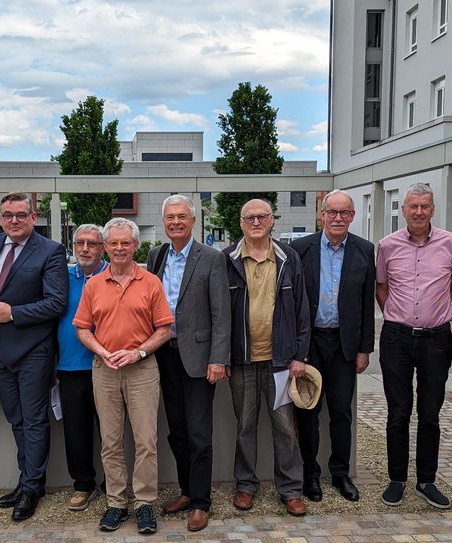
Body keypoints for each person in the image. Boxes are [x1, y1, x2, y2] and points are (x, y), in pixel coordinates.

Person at [74, 218, 173, 534]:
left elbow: (164, 329)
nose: (119, 248)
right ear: (106, 246)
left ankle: (144, 504)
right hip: (105, 370)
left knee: (146, 440)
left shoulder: (151, 282)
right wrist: (101, 351)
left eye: (125, 243)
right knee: (111, 441)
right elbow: (82, 329)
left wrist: (139, 352)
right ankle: (116, 503)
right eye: (113, 243)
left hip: (142, 369)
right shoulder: (93, 285)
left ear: (135, 246)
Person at [375, 183, 452, 509]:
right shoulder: (387, 246)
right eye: (413, 206)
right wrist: (398, 317)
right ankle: (396, 479)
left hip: (435, 340)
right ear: (403, 210)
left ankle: (427, 480)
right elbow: (381, 288)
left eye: (425, 206)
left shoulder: (451, 244)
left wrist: (435, 317)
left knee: (430, 413)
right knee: (398, 412)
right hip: (396, 338)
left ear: (433, 209)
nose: (419, 212)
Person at [0, 191, 68, 522]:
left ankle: (32, 487)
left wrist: (15, 313)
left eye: (20, 215)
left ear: (33, 217)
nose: (14, 221)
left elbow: (56, 302)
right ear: (1, 218)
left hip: (34, 351)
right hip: (0, 351)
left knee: (33, 421)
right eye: (8, 215)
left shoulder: (50, 250)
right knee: (15, 419)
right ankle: (26, 480)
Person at [148, 195, 231, 532]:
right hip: (164, 355)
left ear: (193, 221)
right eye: (170, 218)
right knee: (177, 431)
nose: (176, 223)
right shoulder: (156, 255)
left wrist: (218, 358)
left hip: (198, 358)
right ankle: (185, 490)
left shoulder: (210, 258)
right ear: (164, 222)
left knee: (199, 433)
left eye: (182, 217)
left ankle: (200, 502)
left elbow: (221, 313)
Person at [223, 199, 310, 517]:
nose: (256, 221)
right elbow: (221, 315)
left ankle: (290, 490)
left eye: (262, 216)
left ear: (272, 221)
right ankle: (245, 485)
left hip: (281, 361)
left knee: (285, 428)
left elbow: (302, 311)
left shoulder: (289, 258)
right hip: (242, 360)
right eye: (250, 217)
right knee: (245, 426)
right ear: (241, 223)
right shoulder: (228, 259)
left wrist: (299, 355)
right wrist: (223, 356)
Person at [291, 189, 375, 503]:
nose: (338, 218)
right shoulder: (301, 248)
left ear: (352, 216)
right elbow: (291, 300)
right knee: (308, 412)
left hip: (344, 344)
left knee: (341, 413)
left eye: (344, 213)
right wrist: (294, 349)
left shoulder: (365, 250)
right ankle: (310, 474)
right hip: (310, 343)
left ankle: (340, 473)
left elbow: (367, 303)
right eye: (332, 212)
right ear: (322, 214)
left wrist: (365, 348)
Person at [56, 224, 107, 512]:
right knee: (76, 430)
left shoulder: (113, 274)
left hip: (107, 365)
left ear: (102, 247)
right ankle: (83, 484)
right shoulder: (62, 277)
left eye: (92, 243)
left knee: (110, 432)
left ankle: (113, 485)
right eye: (79, 243)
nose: (85, 249)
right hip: (69, 366)